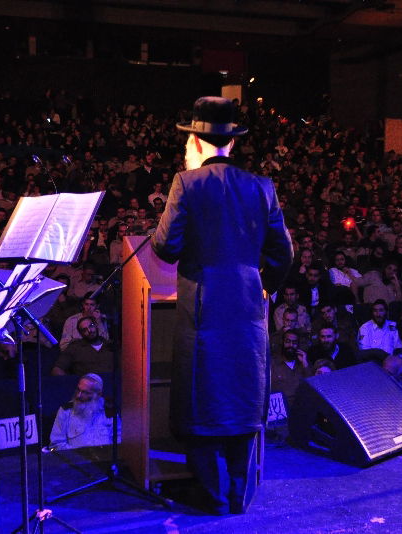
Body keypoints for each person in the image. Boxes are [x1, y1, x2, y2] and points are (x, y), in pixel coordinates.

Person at [152, 96, 293, 514]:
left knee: (204, 397)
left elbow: (165, 246)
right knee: (242, 395)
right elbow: (283, 254)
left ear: (195, 140)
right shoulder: (262, 186)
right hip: (249, 307)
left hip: (204, 308)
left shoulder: (187, 182)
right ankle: (239, 494)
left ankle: (212, 497)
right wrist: (263, 286)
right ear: (231, 143)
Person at [48, 373, 116, 451]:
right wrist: (81, 456)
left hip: (106, 460)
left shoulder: (109, 411)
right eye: (78, 390)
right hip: (76, 461)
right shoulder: (65, 411)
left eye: (85, 392)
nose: (78, 396)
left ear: (98, 394)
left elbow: (119, 442)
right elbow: (56, 444)